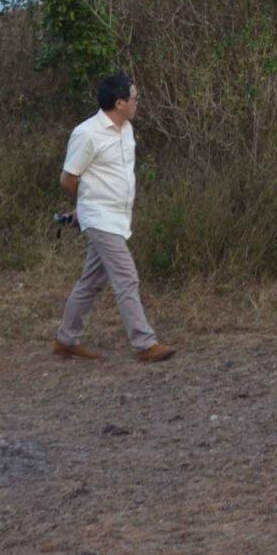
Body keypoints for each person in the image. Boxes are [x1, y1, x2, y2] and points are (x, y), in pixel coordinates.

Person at [51, 73, 175, 364]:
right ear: (119, 103)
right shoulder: (87, 133)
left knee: (90, 281)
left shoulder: (127, 130)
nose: (137, 103)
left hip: (117, 218)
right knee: (126, 277)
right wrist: (85, 208)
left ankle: (66, 340)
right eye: (133, 98)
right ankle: (145, 344)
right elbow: (68, 178)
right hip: (100, 218)